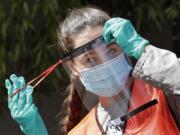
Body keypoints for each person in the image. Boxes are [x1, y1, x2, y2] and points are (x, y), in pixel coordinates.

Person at [5, 7, 180, 135]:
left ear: (125, 48)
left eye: (111, 50)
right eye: (90, 59)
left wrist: (144, 51)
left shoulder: (164, 95)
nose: (106, 63)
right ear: (73, 68)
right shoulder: (83, 132)